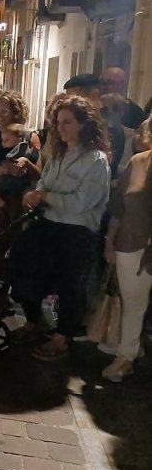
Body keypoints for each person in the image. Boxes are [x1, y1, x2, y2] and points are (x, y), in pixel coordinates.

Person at [9, 95, 111, 361]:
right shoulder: (57, 153)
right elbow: (44, 182)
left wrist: (44, 197)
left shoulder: (96, 160)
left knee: (70, 286)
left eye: (67, 122)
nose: (60, 128)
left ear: (83, 124)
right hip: (49, 225)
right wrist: (35, 195)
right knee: (24, 267)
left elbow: (82, 204)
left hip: (76, 232)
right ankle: (33, 322)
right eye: (58, 122)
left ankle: (60, 339)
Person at [102, 114, 152, 381]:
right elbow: (119, 205)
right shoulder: (138, 163)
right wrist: (110, 240)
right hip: (133, 245)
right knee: (133, 303)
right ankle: (126, 356)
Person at [0, 91, 42, 248]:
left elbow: (39, 174)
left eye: (5, 111)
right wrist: (4, 170)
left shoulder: (29, 137)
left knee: (19, 244)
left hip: (21, 198)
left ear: (16, 113)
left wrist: (26, 164)